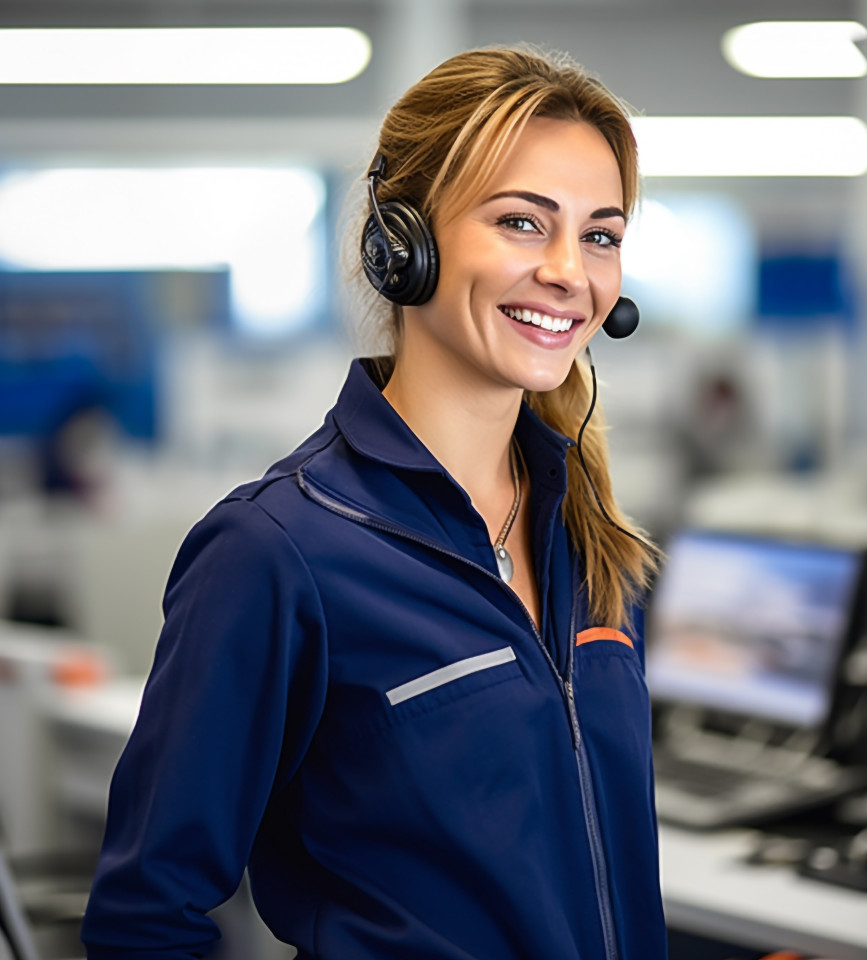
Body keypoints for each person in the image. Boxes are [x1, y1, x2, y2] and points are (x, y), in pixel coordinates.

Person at [81, 46, 667, 960]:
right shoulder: (278, 548)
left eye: (599, 234)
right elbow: (144, 917)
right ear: (402, 245)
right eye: (522, 222)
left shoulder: (591, 538)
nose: (569, 272)